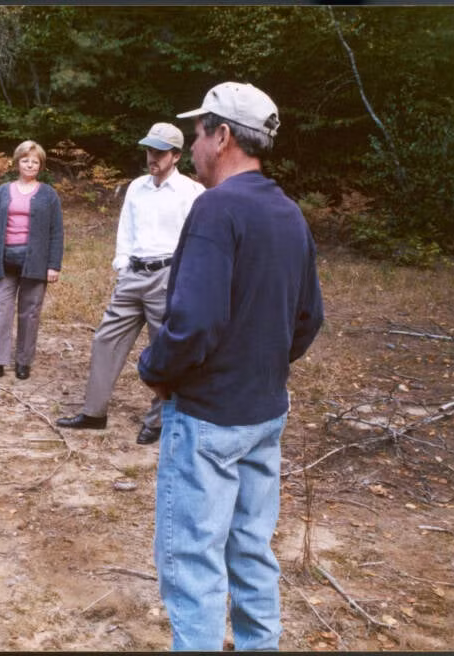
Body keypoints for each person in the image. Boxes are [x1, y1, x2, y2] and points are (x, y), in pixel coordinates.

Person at [137, 82, 324, 651]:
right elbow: (308, 319)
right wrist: (261, 364)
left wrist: (154, 368)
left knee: (192, 566)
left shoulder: (214, 208)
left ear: (221, 136)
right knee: (250, 550)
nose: (193, 144)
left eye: (197, 132)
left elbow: (192, 324)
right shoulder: (289, 212)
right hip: (265, 413)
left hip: (209, 420)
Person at [57, 123, 204, 444]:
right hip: (132, 275)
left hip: (168, 277)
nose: (153, 157)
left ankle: (159, 420)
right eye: (150, 150)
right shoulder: (137, 187)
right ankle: (94, 412)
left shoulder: (192, 193)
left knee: (164, 349)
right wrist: (122, 264)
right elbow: (126, 228)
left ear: (176, 156)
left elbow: (196, 240)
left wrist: (183, 280)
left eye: (160, 152)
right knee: (105, 339)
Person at [0, 140, 63, 381]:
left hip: (36, 264)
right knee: (0, 310)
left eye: (35, 161)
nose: (30, 165)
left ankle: (23, 362)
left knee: (30, 314)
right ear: (17, 162)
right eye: (25, 160)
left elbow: (56, 232)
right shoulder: (2, 192)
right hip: (5, 261)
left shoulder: (48, 195)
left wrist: (54, 265)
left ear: (40, 166)